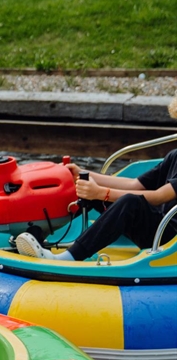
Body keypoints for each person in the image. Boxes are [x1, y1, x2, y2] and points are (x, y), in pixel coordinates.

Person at [16, 94, 177, 262]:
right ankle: (38, 235)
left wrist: (102, 193)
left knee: (129, 203)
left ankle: (69, 257)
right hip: (159, 229)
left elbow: (159, 197)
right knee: (82, 187)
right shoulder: (175, 156)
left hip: (170, 239)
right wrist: (84, 174)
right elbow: (136, 184)